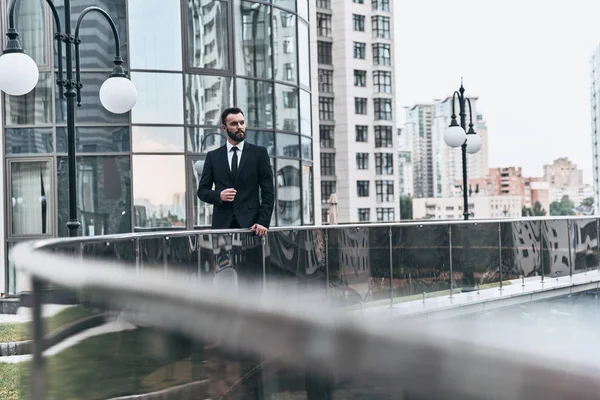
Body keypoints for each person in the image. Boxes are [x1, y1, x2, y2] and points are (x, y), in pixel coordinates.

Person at [197, 107, 274, 236]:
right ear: (224, 128)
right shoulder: (213, 156)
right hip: (222, 227)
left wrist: (263, 222)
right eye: (234, 124)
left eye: (242, 123)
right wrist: (219, 195)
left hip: (252, 227)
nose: (239, 127)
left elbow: (268, 192)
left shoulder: (259, 154)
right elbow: (202, 191)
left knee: (252, 257)